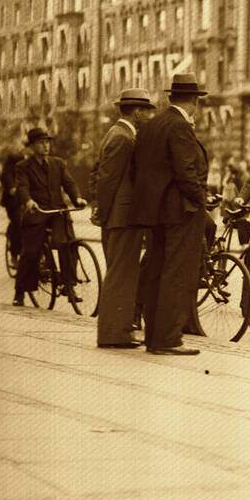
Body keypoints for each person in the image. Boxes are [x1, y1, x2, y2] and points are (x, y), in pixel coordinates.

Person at [131, 73, 211, 355]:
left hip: (155, 211)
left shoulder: (152, 125)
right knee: (177, 273)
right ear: (194, 102)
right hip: (180, 211)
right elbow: (185, 171)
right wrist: (202, 199)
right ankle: (167, 339)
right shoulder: (179, 126)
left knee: (156, 270)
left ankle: (153, 335)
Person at [91, 88, 156, 348]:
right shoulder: (123, 137)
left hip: (120, 215)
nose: (149, 116)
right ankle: (113, 334)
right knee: (120, 274)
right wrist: (103, 212)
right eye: (147, 111)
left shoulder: (119, 133)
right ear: (137, 111)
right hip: (122, 216)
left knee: (121, 273)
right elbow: (108, 180)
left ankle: (118, 331)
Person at [12, 128, 85, 307]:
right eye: (40, 143)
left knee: (69, 244)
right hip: (36, 213)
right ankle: (20, 292)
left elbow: (69, 183)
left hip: (57, 212)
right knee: (30, 252)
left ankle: (69, 285)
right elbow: (22, 187)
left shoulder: (58, 163)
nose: (45, 146)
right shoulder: (23, 167)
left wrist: (77, 198)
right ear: (32, 147)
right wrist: (28, 201)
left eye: (47, 142)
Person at [0, 148, 24, 261]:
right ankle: (14, 254)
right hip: (13, 204)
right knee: (18, 224)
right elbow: (12, 189)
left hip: (23, 202)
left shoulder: (22, 171)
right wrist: (17, 188)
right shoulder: (7, 173)